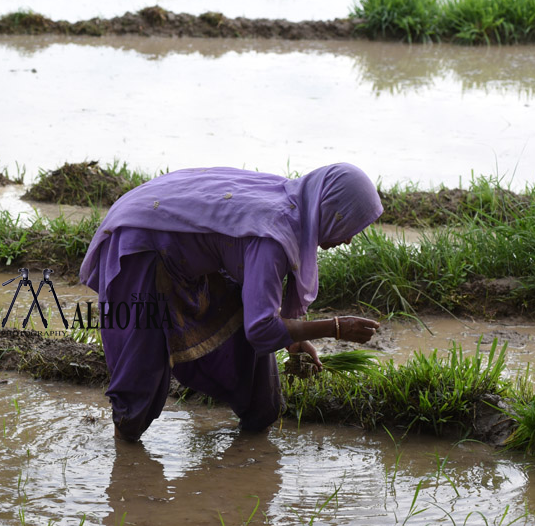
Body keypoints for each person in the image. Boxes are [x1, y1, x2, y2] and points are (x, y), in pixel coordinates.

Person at [79, 163, 384, 441]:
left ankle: (256, 419)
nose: (348, 240)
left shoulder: (297, 204)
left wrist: (295, 340)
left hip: (178, 239)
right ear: (330, 209)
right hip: (142, 242)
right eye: (349, 227)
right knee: (143, 362)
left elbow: (260, 303)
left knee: (253, 363)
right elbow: (261, 329)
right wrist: (334, 328)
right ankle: (126, 465)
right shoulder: (273, 235)